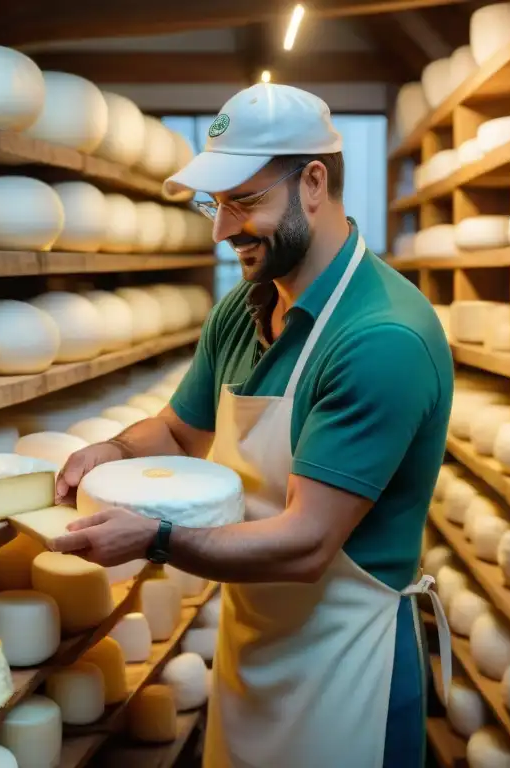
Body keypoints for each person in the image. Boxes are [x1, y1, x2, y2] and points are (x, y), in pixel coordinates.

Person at [52, 83, 454, 768]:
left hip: (347, 672)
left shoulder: (379, 337)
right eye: (216, 203)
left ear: (314, 184)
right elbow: (181, 433)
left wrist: (155, 538)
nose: (220, 229)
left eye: (244, 200)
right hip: (254, 649)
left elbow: (305, 544)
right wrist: (111, 452)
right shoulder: (245, 308)